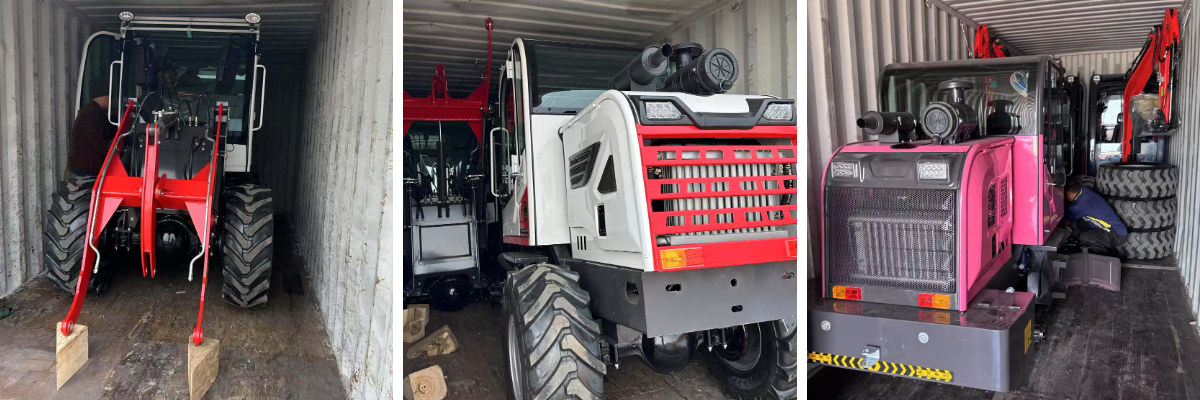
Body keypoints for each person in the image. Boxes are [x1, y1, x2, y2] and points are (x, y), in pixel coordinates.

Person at [1065, 180, 1128, 256]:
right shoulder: (1084, 190)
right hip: (1113, 229)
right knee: (1080, 224)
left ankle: (1108, 257)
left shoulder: (1078, 206)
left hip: (1116, 234)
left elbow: (1067, 222)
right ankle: (1108, 249)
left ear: (1069, 193)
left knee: (1085, 237)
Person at [65, 94, 118, 180]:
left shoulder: (94, 111)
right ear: (104, 96)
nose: (110, 102)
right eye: (109, 98)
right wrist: (117, 150)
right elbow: (99, 145)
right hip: (82, 175)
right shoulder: (90, 113)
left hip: (85, 171)